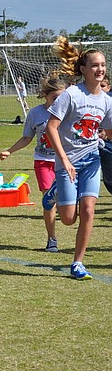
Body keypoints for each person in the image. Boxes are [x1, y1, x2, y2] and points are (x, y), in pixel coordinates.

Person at [43, 37, 112, 280]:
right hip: (67, 163)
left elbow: (109, 130)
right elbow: (52, 127)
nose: (100, 69)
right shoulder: (72, 94)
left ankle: (78, 263)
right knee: (69, 219)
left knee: (89, 210)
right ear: (83, 69)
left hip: (92, 161)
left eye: (103, 64)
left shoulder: (106, 101)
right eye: (94, 65)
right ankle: (54, 193)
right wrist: (65, 160)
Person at [0, 75, 66, 252]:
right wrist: (9, 150)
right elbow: (27, 137)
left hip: (63, 161)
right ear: (45, 95)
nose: (59, 102)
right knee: (48, 199)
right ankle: (52, 239)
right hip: (43, 161)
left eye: (62, 98)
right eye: (55, 98)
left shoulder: (68, 111)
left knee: (68, 208)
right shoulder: (35, 114)